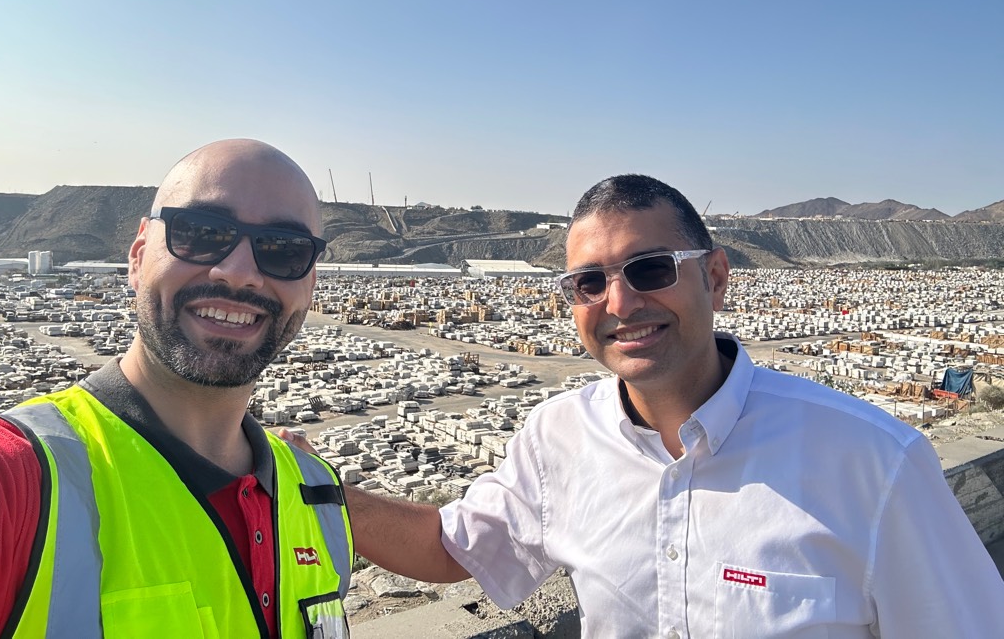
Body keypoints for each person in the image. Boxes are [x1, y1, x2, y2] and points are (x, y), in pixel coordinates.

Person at [341, 173, 1004, 638]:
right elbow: (453, 549)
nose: (620, 303)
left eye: (651, 268)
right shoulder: (558, 437)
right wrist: (309, 487)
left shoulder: (873, 460)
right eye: (589, 282)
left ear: (715, 277)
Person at [0, 139, 352, 639]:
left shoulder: (318, 494)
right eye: (202, 232)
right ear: (138, 256)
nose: (238, 273)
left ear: (310, 283)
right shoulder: (5, 483)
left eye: (284, 249)